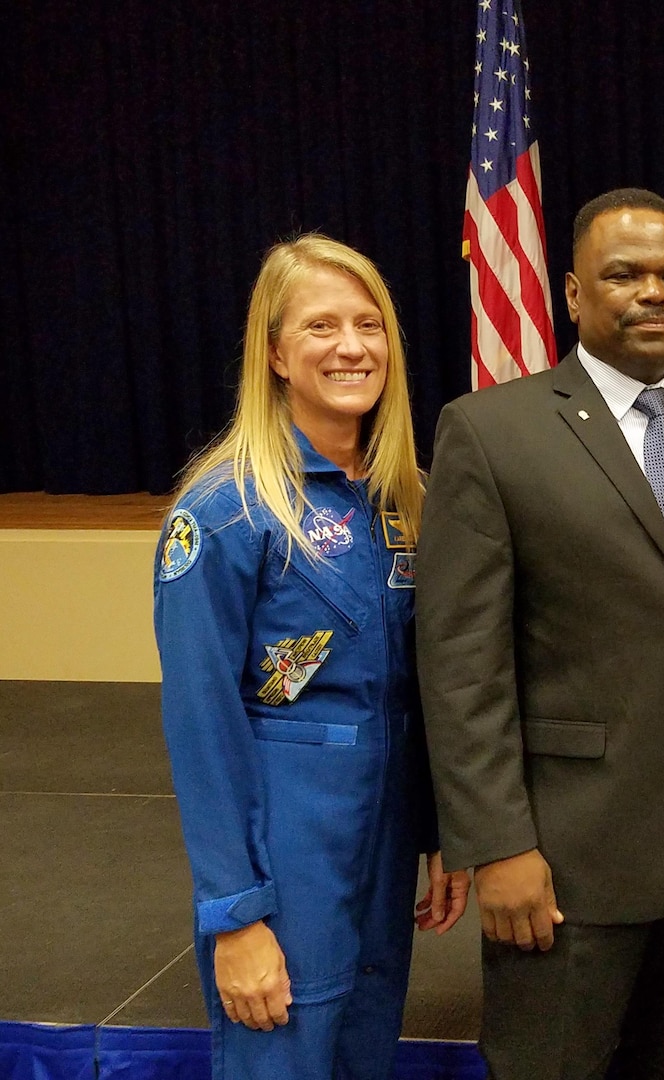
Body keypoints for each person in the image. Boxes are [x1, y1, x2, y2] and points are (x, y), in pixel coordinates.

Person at [415, 188, 664, 1079]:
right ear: (573, 294)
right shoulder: (492, 432)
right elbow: (462, 664)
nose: (653, 292)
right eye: (624, 274)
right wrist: (495, 846)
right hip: (565, 862)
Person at [153, 233, 470, 1079]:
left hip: (384, 842)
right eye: (322, 326)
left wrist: (438, 829)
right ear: (276, 353)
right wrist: (236, 916)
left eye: (369, 325)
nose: (352, 347)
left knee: (364, 1053)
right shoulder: (224, 514)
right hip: (284, 852)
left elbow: (423, 682)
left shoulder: (407, 498)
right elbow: (201, 726)